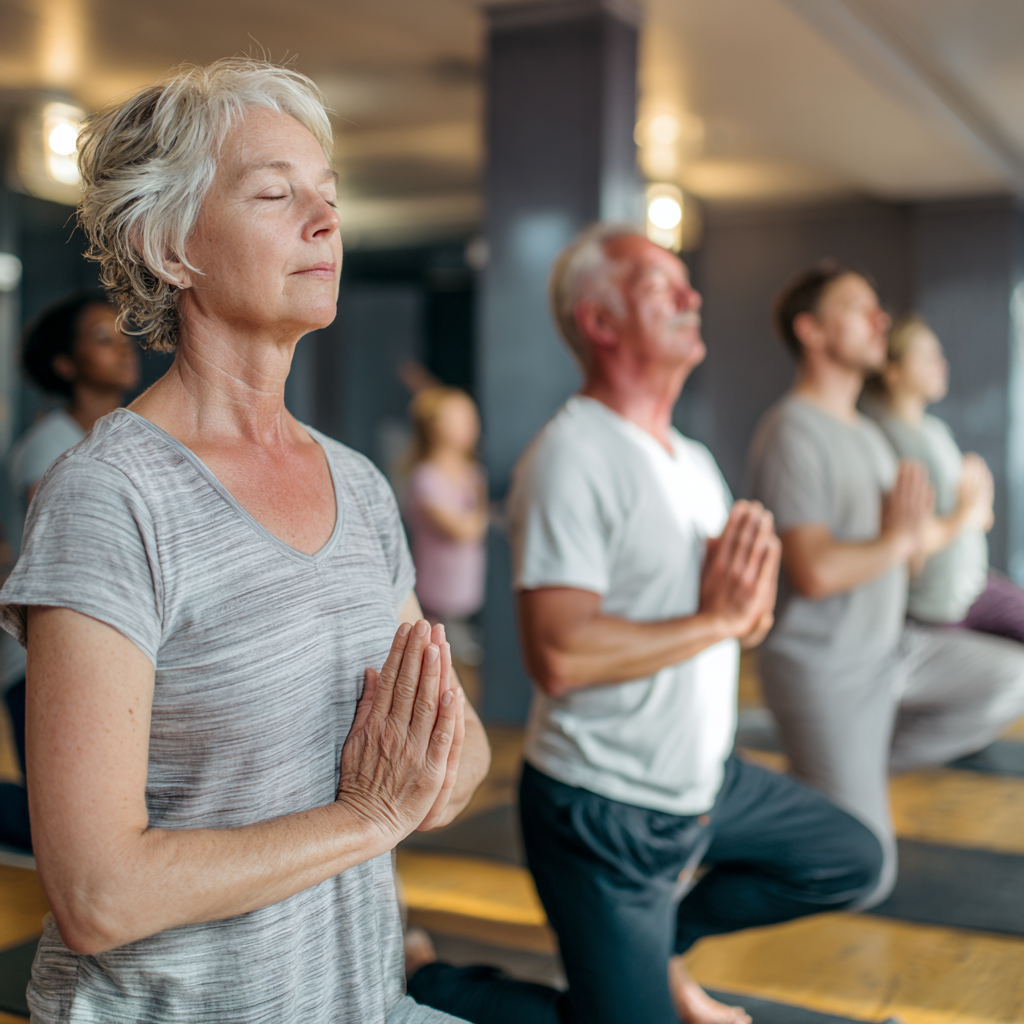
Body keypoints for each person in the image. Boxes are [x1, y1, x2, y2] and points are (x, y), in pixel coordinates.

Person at [0, 58, 490, 1023]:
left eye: (330, 196)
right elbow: (102, 897)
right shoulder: (109, 498)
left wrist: (404, 793)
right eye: (275, 193)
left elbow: (461, 757)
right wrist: (368, 817)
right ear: (172, 245)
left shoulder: (358, 482)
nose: (324, 221)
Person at [414, 225, 882, 1024]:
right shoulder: (571, 457)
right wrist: (717, 619)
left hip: (704, 784)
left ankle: (659, 943)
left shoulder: (692, 461)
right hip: (605, 810)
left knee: (850, 859)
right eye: (660, 286)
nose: (691, 297)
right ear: (599, 321)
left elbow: (724, 624)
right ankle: (428, 983)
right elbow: (560, 653)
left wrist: (745, 612)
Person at [748, 263, 1024, 902]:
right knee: (866, 873)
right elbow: (817, 570)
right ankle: (711, 860)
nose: (879, 321)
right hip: (826, 667)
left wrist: (960, 518)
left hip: (891, 650)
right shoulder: (792, 429)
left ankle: (831, 772)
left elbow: (900, 550)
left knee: (1009, 679)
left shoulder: (868, 436)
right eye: (857, 307)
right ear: (811, 331)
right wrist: (911, 538)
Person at [0, 292, 141, 852]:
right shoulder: (49, 448)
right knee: (63, 828)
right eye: (101, 338)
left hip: (110, 645)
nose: (123, 347)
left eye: (123, 334)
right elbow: (82, 547)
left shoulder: (125, 436)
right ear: (65, 365)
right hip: (41, 655)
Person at [865, 314, 1024, 642]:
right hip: (940, 607)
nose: (940, 364)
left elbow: (979, 514)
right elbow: (912, 538)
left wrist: (977, 507)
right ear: (892, 372)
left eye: (938, 355)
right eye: (925, 357)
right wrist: (967, 513)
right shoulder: (886, 440)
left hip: (974, 587)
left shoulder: (934, 430)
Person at [403, 386, 487, 666]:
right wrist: (480, 515)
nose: (471, 427)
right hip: (436, 596)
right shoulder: (425, 478)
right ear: (435, 427)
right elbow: (464, 530)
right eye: (461, 419)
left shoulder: (472, 472)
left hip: (468, 593)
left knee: (468, 661)